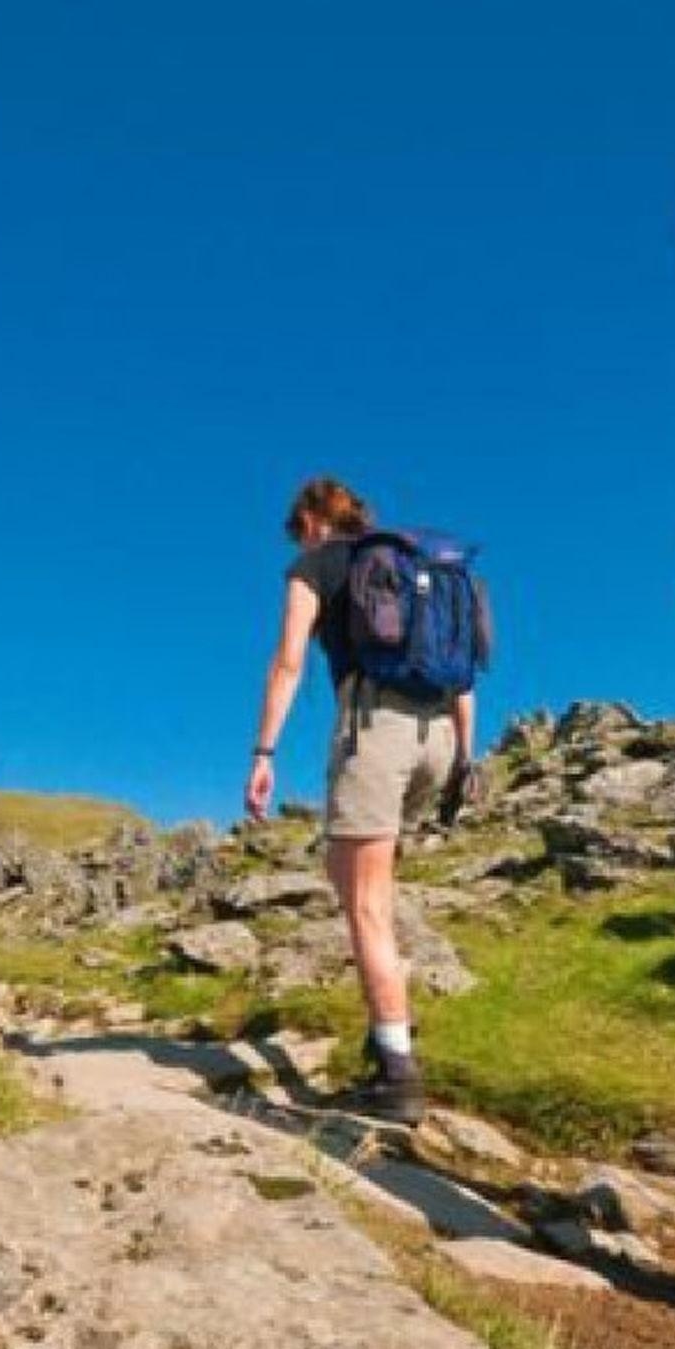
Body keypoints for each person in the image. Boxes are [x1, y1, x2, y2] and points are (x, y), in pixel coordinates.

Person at [244, 476, 476, 1125]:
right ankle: (385, 1027)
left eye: (299, 529)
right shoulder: (420, 565)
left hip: (374, 727)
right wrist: (464, 756)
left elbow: (287, 662)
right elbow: (462, 667)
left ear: (315, 519)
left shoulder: (316, 564)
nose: (299, 539)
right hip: (436, 733)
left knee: (366, 906)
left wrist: (264, 755)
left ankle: (396, 1072)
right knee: (356, 879)